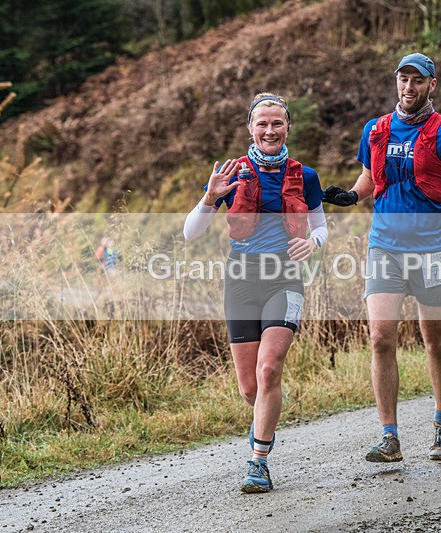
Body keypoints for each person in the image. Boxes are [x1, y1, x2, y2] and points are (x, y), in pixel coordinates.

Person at [322, 52, 441, 463]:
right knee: (380, 338)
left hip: (435, 249)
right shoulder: (375, 129)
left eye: (417, 80)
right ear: (396, 82)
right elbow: (369, 177)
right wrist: (351, 195)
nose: (409, 87)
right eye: (403, 79)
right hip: (385, 247)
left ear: (432, 85)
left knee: (434, 342)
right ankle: (389, 436)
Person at [183, 93, 328, 493]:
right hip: (241, 280)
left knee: (269, 370)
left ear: (287, 128)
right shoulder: (230, 174)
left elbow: (320, 227)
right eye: (262, 124)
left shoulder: (306, 176)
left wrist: (312, 244)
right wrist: (210, 197)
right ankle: (265, 419)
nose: (269, 130)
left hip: (285, 278)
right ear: (250, 128)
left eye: (277, 123)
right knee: (251, 388)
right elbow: (190, 232)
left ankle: (258, 462)